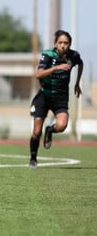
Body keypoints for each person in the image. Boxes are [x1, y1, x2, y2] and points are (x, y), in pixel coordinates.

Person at [29, 30, 83, 169]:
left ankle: (50, 130)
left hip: (60, 97)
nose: (63, 45)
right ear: (55, 43)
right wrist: (55, 68)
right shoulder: (48, 55)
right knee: (36, 132)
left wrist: (77, 83)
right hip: (44, 96)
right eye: (60, 42)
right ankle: (33, 158)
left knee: (62, 126)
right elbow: (38, 74)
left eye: (66, 43)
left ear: (69, 44)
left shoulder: (73, 56)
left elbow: (80, 63)